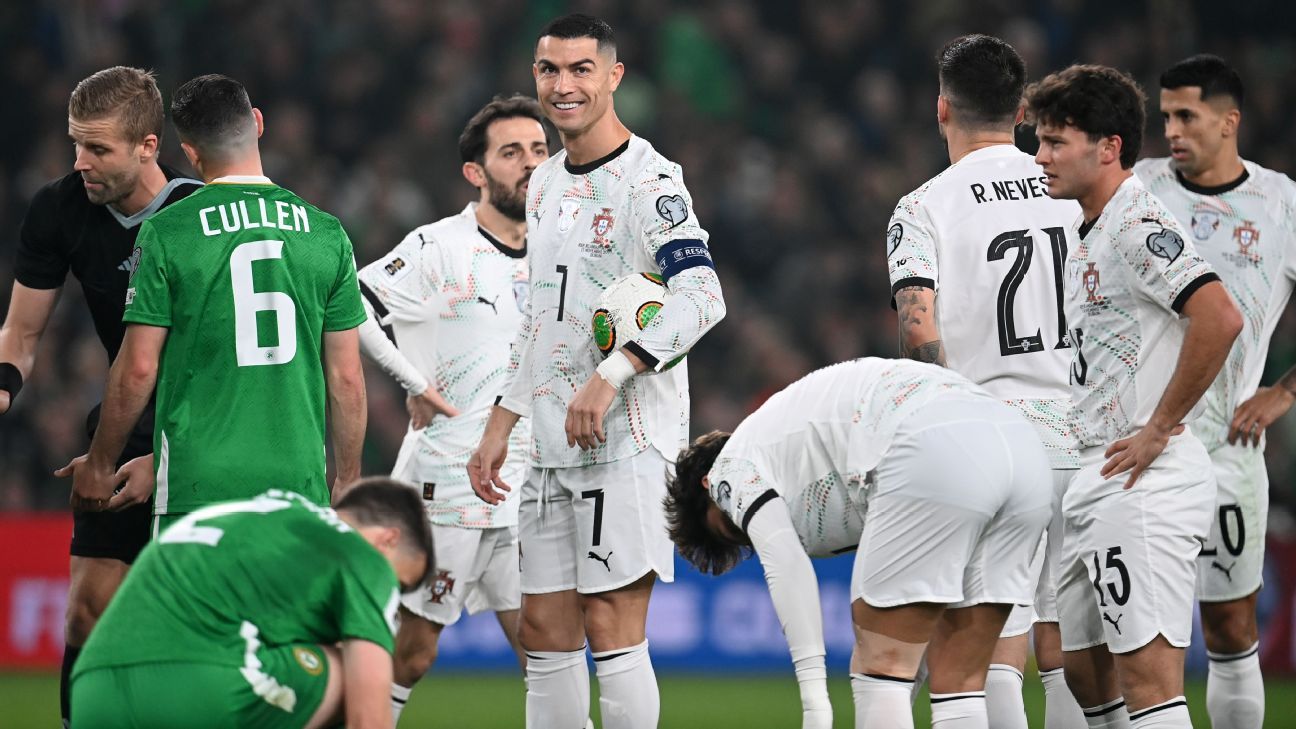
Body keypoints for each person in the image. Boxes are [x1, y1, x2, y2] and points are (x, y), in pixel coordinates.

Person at [468, 13, 726, 729]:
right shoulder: (544, 182)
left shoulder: (651, 181)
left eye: (581, 69)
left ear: (614, 77)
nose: (564, 85)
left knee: (611, 620)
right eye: (549, 70)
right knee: (544, 629)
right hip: (550, 441)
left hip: (627, 441)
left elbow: (703, 296)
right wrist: (501, 420)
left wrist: (614, 371)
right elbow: (539, 318)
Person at [664, 357, 1052, 729]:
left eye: (730, 526)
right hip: (1023, 449)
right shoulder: (787, 446)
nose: (748, 529)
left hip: (932, 443)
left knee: (882, 670)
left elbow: (786, 563)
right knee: (961, 683)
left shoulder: (730, 467)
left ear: (708, 485)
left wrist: (815, 705)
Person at [1028, 64, 1242, 728]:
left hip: (1144, 479)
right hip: (1097, 470)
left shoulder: (1137, 221)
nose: (1040, 157)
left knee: (1149, 680)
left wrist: (1158, 427)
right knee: (1086, 673)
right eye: (1040, 141)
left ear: (1108, 147)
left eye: (1056, 141)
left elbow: (1219, 316)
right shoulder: (1089, 229)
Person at [62, 73, 368, 533]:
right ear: (258, 123)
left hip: (197, 491)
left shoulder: (168, 232)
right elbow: (346, 378)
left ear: (189, 152)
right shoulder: (327, 235)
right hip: (299, 490)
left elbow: (139, 368)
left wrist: (101, 463)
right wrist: (347, 479)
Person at [886, 34, 1085, 729]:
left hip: (992, 438)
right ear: (1023, 111)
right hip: (1082, 436)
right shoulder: (1073, 190)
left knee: (983, 644)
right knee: (1067, 640)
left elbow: (917, 326)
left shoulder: (924, 206)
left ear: (941, 108)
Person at [0, 66, 202, 726]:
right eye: (75, 143)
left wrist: (166, 461)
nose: (79, 162)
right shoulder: (59, 208)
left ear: (148, 146)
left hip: (211, 426)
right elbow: (21, 334)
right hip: (126, 420)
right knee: (87, 610)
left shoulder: (199, 216)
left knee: (204, 630)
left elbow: (229, 364)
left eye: (98, 148)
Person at [355, 94, 548, 723]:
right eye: (511, 152)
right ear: (476, 171)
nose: (530, 163)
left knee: (545, 648)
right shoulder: (439, 246)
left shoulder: (558, 252)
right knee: (413, 652)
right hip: (448, 482)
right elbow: (348, 301)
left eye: (539, 150)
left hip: (526, 483)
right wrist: (410, 378)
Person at [1135, 54, 1296, 729]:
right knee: (1129, 631)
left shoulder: (1282, 204)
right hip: (1136, 444)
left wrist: (1284, 392)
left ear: (1229, 122)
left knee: (1229, 627)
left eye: (1187, 116)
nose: (1172, 130)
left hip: (1227, 446)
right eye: (1166, 116)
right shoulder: (1138, 187)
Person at [69, 478, 434, 729]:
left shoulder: (253, 514)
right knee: (353, 674)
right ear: (388, 539)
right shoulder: (363, 556)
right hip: (200, 690)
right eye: (399, 583)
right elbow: (369, 720)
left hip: (91, 692)